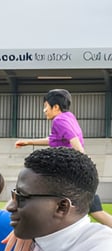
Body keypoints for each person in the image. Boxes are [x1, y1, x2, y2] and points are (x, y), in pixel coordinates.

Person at [14, 88, 112, 228]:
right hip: (69, 174)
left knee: (95, 211)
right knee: (94, 211)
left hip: (70, 176)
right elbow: (55, 140)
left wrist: (84, 168)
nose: (44, 111)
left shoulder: (59, 120)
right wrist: (28, 142)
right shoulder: (68, 117)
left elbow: (75, 141)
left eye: (46, 106)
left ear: (55, 107)